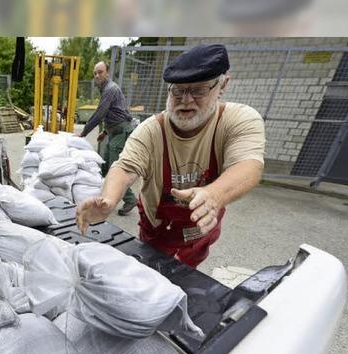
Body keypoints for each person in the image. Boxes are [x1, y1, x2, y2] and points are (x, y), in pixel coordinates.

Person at [76, 44, 265, 267]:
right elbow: (125, 167)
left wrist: (215, 194)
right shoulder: (151, 130)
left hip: (199, 231)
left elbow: (249, 165)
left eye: (198, 90)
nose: (186, 100)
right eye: (178, 90)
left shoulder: (239, 120)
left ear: (222, 85)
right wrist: (108, 200)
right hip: (158, 230)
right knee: (152, 275)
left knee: (190, 278)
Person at [78, 61, 138, 216]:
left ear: (107, 73)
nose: (97, 75)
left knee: (114, 171)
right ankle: (101, 196)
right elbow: (115, 112)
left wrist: (83, 132)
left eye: (100, 72)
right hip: (113, 133)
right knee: (103, 167)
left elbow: (100, 113)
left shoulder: (110, 89)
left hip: (120, 134)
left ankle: (130, 199)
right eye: (95, 73)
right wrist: (105, 132)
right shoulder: (106, 89)